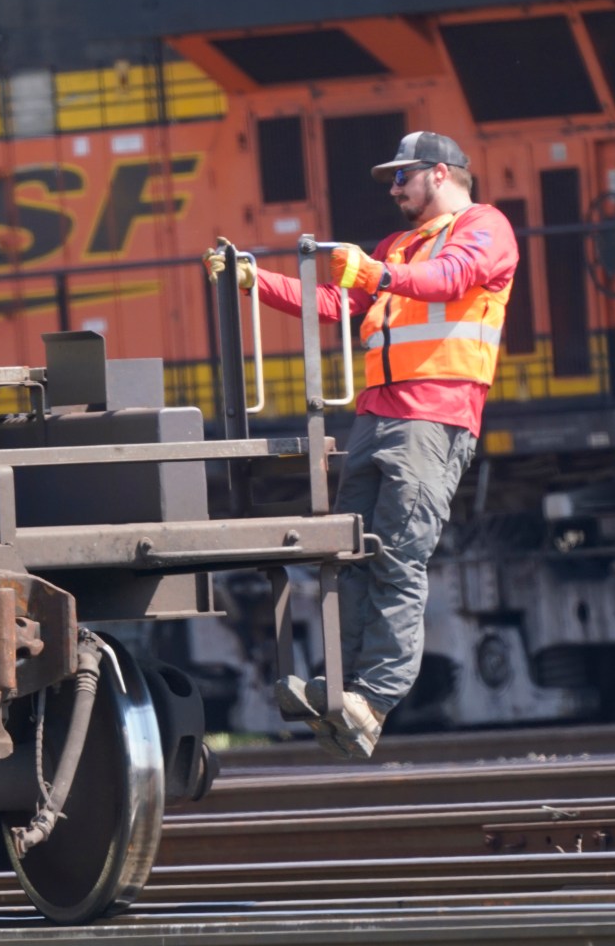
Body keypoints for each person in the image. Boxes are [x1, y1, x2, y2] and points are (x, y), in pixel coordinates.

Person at [205, 131, 518, 759]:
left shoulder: (484, 226)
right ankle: (337, 687)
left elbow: (454, 276)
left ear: (439, 174)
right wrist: (253, 280)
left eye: (402, 177)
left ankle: (373, 697)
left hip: (437, 415)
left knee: (400, 555)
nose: (394, 189)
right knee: (348, 556)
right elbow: (332, 305)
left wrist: (378, 271)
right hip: (376, 414)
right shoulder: (398, 246)